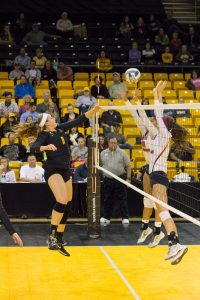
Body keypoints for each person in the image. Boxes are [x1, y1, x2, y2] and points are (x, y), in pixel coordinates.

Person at [14, 105, 99, 255]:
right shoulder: (44, 135)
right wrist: (46, 147)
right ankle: (52, 236)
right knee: (62, 200)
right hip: (53, 171)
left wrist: (95, 110)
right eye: (51, 117)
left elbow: (79, 119)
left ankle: (59, 238)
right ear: (47, 123)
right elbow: (33, 148)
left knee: (68, 205)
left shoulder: (59, 128)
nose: (54, 118)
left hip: (66, 171)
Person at [144, 81, 188, 264]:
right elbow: (153, 116)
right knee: (162, 212)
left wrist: (157, 94)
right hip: (157, 176)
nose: (159, 121)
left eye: (161, 121)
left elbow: (158, 111)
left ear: (165, 126)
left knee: (164, 212)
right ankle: (173, 245)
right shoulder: (161, 135)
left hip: (159, 177)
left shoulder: (164, 134)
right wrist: (155, 92)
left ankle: (175, 245)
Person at [120, 89, 164, 247]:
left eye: (153, 122)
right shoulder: (145, 132)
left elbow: (144, 117)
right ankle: (146, 228)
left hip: (159, 170)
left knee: (159, 203)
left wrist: (137, 100)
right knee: (147, 201)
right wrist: (128, 100)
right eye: (150, 122)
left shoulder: (159, 135)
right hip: (148, 169)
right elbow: (137, 116)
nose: (149, 123)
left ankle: (158, 232)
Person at [100, 134, 131, 225]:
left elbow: (128, 166)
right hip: (107, 179)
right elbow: (100, 165)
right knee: (107, 199)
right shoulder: (103, 153)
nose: (113, 144)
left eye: (115, 143)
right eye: (112, 143)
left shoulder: (123, 153)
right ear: (108, 143)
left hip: (120, 178)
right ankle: (106, 217)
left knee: (122, 199)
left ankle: (125, 217)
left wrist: (128, 179)